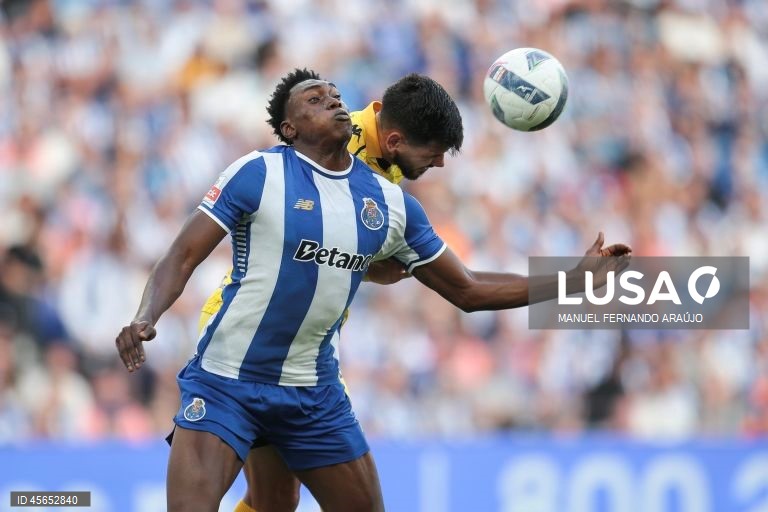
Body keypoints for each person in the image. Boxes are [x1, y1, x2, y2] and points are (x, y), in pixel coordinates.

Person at [115, 68, 631, 512]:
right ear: (290, 129)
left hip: (310, 385)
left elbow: (467, 289)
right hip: (230, 370)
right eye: (315, 99)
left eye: (335, 94)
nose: (335, 100)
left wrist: (571, 281)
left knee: (279, 504)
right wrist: (146, 315)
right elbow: (182, 254)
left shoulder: (389, 201)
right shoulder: (260, 172)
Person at [199, 72, 463, 512]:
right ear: (395, 141)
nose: (438, 166)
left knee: (277, 499)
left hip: (302, 341)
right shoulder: (340, 154)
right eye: (433, 155)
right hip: (257, 335)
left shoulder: (370, 155)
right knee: (277, 497)